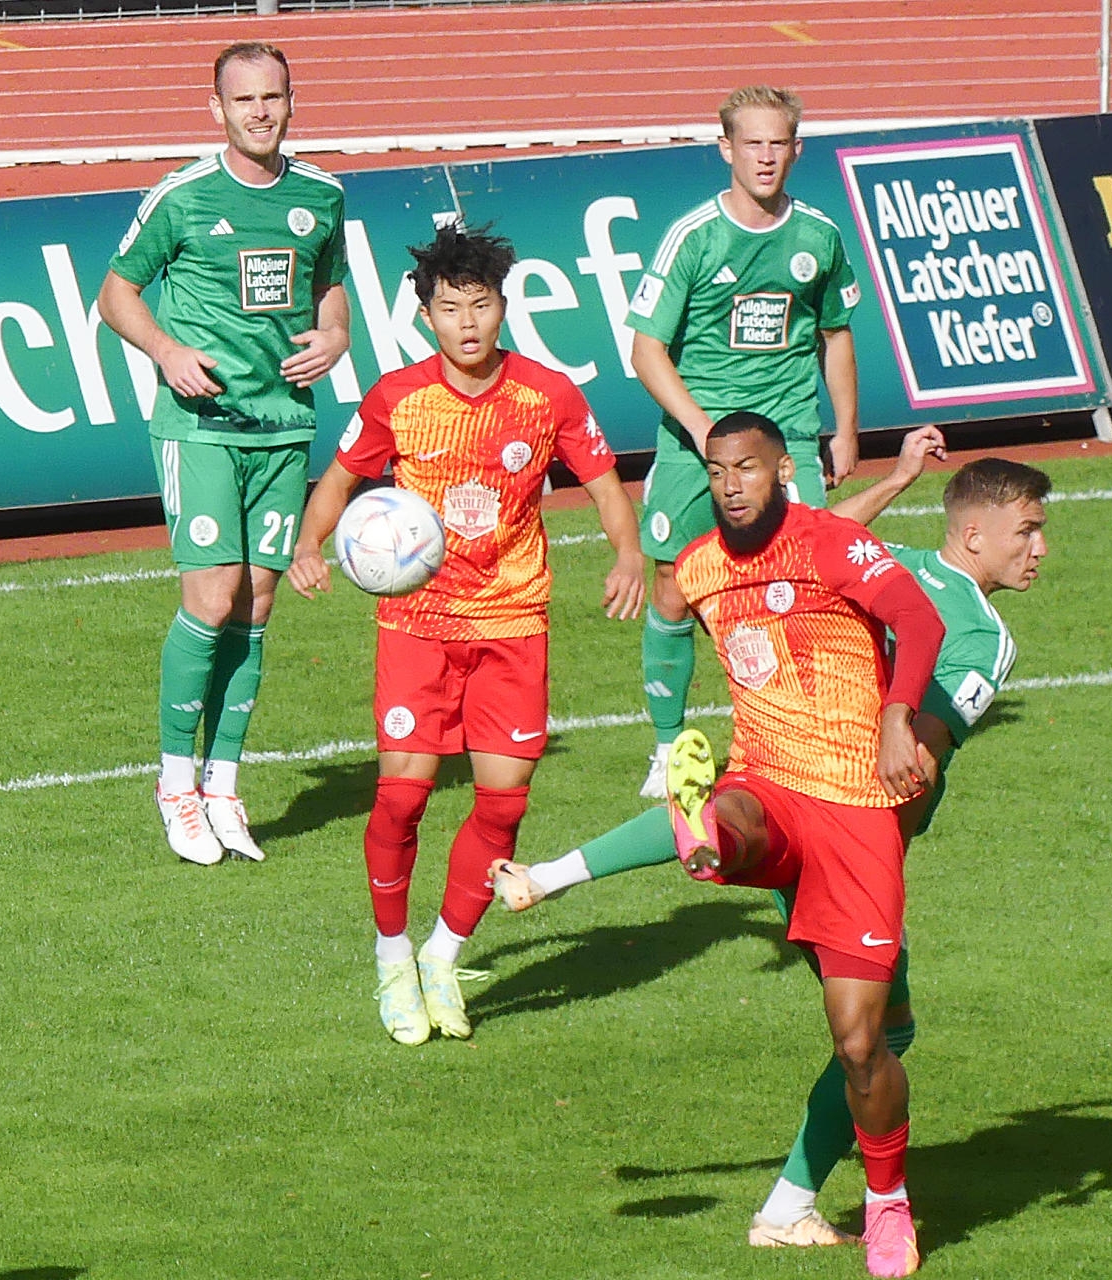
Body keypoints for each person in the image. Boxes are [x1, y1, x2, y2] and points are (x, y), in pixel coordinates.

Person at [490, 433, 1052, 1251]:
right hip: (856, 833)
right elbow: (916, 763)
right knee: (878, 1038)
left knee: (741, 821)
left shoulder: (888, 557)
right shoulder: (983, 635)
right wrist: (881, 828)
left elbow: (825, 532)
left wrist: (896, 479)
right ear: (975, 534)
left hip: (787, 792)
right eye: (1028, 531)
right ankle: (807, 1207)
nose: (1039, 550)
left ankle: (640, 851)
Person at [285, 226, 645, 1046]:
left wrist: (627, 554)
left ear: (502, 307)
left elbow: (604, 484)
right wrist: (309, 544)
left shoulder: (547, 396)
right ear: (427, 317)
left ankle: (443, 956)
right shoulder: (397, 398)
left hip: (513, 622)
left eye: (480, 305)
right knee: (403, 797)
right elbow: (340, 479)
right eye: (450, 309)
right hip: (418, 625)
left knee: (503, 803)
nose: (467, 323)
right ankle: (391, 959)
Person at [659, 411, 941, 1276]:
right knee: (739, 816)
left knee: (863, 1044)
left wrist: (896, 719)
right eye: (717, 471)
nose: (730, 485)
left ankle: (887, 1205)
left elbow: (918, 620)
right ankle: (708, 829)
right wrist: (666, 731)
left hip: (855, 806)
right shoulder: (701, 567)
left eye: (746, 468)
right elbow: (666, 619)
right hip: (770, 781)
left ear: (782, 471)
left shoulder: (831, 545)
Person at [99, 41, 351, 864]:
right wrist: (168, 351)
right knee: (210, 600)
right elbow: (116, 294)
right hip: (200, 427)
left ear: (291, 101)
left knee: (256, 605)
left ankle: (223, 788)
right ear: (217, 109)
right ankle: (176, 785)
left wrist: (337, 334)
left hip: (284, 427)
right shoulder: (181, 197)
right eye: (244, 100)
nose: (260, 112)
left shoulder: (322, 195)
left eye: (272, 97)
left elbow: (330, 286)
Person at [627, 84, 864, 800]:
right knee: (673, 590)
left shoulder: (819, 236)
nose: (765, 157)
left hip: (787, 436)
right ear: (725, 148)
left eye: (778, 143)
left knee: (804, 584)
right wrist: (708, 436)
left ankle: (800, 737)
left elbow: (835, 335)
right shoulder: (694, 237)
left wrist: (846, 428)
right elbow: (645, 351)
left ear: (797, 149)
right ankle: (667, 748)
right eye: (752, 143)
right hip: (694, 442)